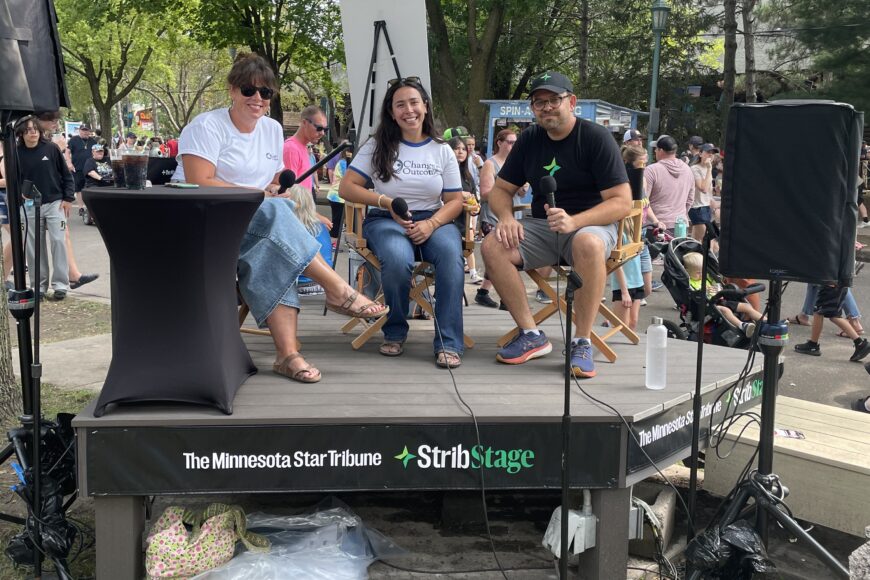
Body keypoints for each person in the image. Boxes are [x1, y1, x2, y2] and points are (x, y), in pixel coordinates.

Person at [172, 53, 387, 384]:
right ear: (232, 90)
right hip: (204, 226)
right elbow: (200, 182)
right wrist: (261, 195)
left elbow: (270, 180)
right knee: (273, 212)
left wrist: (274, 190)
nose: (258, 99)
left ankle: (288, 355)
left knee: (273, 237)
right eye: (248, 90)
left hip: (252, 228)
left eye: (266, 93)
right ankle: (336, 288)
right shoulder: (206, 126)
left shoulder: (271, 129)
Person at [480, 71, 632, 378]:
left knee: (586, 242)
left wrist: (575, 220)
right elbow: (500, 191)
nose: (547, 107)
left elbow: (622, 201)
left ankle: (582, 341)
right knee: (492, 245)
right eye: (539, 102)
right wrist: (507, 218)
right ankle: (531, 335)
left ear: (571, 102)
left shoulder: (595, 138)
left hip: (591, 225)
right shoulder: (528, 140)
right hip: (542, 226)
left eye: (554, 100)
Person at [339, 76, 466, 369]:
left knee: (450, 256)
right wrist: (384, 202)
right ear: (391, 112)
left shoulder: (442, 149)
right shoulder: (377, 146)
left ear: (425, 106)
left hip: (433, 219)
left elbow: (456, 201)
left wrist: (432, 224)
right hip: (386, 218)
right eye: (400, 105)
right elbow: (347, 188)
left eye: (414, 102)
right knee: (397, 258)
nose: (408, 110)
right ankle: (395, 330)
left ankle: (448, 342)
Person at [37, 112, 99, 290]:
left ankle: (72, 275)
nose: (56, 124)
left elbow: (59, 170)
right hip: (36, 199)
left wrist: (66, 196)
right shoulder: (39, 142)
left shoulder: (49, 142)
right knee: (24, 240)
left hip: (53, 196)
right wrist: (59, 150)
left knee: (63, 235)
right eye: (52, 120)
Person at [15, 116, 74, 300]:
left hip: (55, 202)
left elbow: (66, 174)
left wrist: (68, 198)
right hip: (30, 205)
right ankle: (38, 287)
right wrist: (19, 197)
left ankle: (61, 285)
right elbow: (13, 180)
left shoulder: (51, 148)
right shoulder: (16, 153)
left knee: (59, 241)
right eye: (28, 130)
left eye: (35, 129)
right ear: (21, 134)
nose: (32, 133)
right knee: (33, 247)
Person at [475, 129, 518, 308]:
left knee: (504, 255)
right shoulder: (490, 164)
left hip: (512, 216)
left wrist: (520, 187)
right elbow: (485, 193)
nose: (513, 146)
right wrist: (505, 189)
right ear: (499, 143)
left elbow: (521, 190)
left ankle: (484, 292)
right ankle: (505, 298)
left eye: (516, 142)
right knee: (501, 254)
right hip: (493, 217)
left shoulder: (515, 163)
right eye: (509, 142)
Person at [682, 252, 761, 337]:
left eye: (703, 271)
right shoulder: (691, 282)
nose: (702, 274)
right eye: (698, 273)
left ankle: (766, 323)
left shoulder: (706, 276)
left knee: (747, 306)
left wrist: (717, 288)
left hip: (719, 300)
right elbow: (695, 295)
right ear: (688, 272)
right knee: (725, 310)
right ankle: (743, 326)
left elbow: (717, 284)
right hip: (706, 306)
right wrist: (705, 291)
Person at [793, 283, 870, 361]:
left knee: (821, 312)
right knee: (832, 315)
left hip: (830, 282)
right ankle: (859, 343)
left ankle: (813, 345)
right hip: (838, 282)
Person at [448, 136, 482, 284]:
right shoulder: (444, 171)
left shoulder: (468, 175)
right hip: (446, 222)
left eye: (463, 149)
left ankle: (473, 273)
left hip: (465, 221)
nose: (460, 152)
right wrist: (459, 194)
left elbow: (475, 198)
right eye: (457, 148)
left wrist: (475, 207)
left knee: (467, 249)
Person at [644, 135, 694, 234]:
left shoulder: (651, 170)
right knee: (677, 250)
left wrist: (655, 221)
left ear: (661, 151)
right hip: (681, 226)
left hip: (656, 227)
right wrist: (680, 214)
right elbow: (690, 199)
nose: (654, 151)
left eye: (656, 149)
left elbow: (643, 202)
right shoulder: (687, 170)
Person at [284, 105, 327, 196]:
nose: (322, 133)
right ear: (304, 123)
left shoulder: (302, 147)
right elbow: (290, 190)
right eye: (319, 128)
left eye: (325, 129)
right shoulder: (291, 148)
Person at [689, 143, 717, 242]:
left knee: (699, 239)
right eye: (708, 152)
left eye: (713, 153)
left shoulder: (707, 168)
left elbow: (708, 191)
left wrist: (711, 200)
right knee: (702, 239)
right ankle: (696, 257)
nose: (711, 155)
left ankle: (693, 256)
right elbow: (703, 188)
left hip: (706, 206)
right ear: (700, 154)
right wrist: (709, 169)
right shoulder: (695, 168)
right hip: (697, 207)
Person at [326, 146, 353, 247]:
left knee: (339, 221)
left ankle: (334, 241)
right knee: (337, 222)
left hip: (337, 196)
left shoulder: (342, 162)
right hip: (338, 197)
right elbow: (349, 178)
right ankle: (333, 243)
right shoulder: (344, 163)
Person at [67, 124, 97, 202]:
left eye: (86, 130)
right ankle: (81, 208)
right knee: (78, 189)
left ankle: (89, 207)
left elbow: (97, 154)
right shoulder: (73, 140)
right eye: (83, 130)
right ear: (80, 131)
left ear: (89, 131)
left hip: (90, 169)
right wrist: (69, 163)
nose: (85, 132)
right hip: (77, 168)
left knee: (90, 187)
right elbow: (67, 152)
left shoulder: (93, 141)